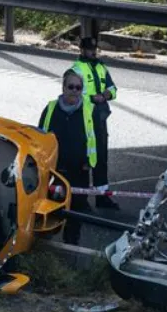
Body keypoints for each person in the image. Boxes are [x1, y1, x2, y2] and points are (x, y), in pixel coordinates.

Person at [39, 69, 97, 245]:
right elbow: (40, 134)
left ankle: (71, 243)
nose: (74, 91)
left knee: (76, 209)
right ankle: (44, 242)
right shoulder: (50, 108)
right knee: (48, 206)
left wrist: (90, 162)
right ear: (63, 88)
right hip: (54, 168)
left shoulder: (88, 111)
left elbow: (96, 139)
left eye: (78, 88)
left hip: (79, 169)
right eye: (71, 86)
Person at [70, 36, 119, 210]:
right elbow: (72, 94)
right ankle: (80, 200)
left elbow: (113, 89)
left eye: (95, 49)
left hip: (99, 119)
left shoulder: (101, 67)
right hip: (83, 120)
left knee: (101, 159)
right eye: (90, 49)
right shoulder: (76, 69)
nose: (93, 52)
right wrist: (92, 97)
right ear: (81, 50)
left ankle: (102, 196)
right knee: (83, 159)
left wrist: (106, 95)